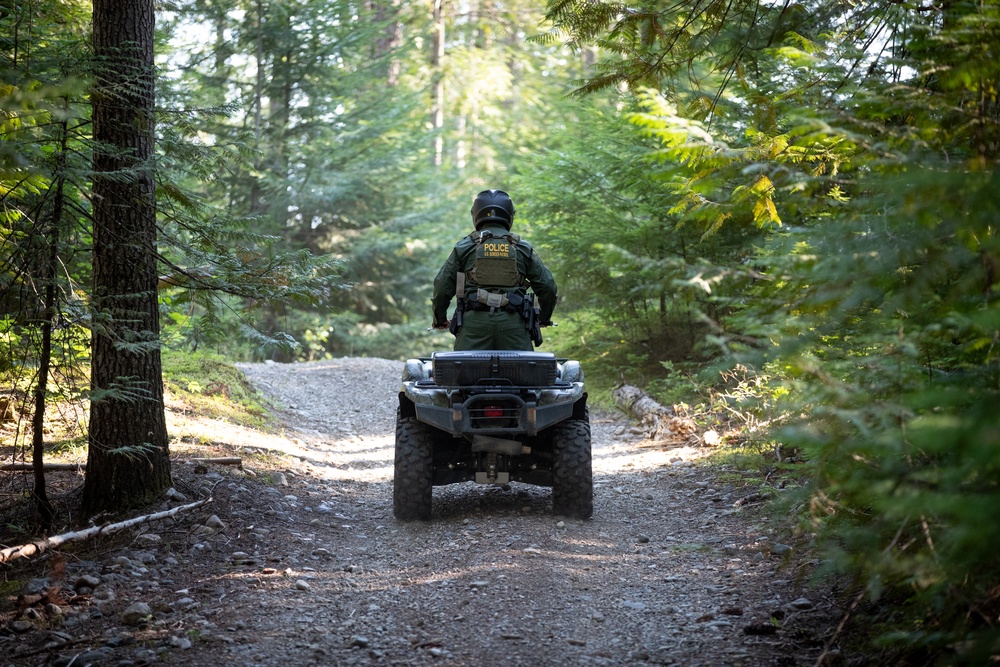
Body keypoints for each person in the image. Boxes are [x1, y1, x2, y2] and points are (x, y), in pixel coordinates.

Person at [432, 189, 557, 350]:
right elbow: (547, 287)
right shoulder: (523, 248)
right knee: (523, 373)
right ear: (510, 215)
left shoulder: (465, 247)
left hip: (473, 327)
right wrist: (544, 318)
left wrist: (440, 319)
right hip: (515, 327)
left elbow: (442, 286)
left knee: (464, 373)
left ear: (476, 214)